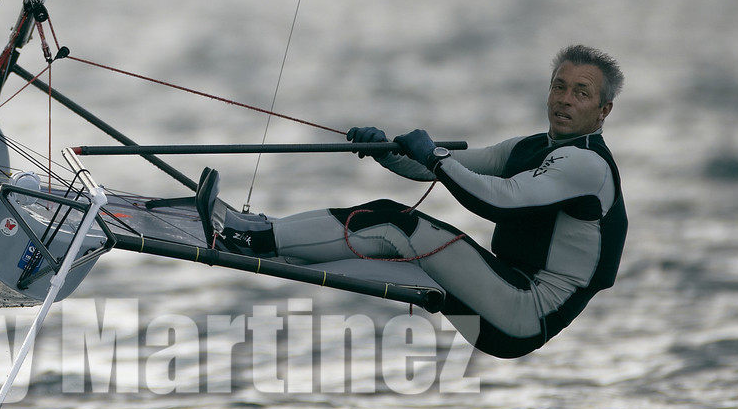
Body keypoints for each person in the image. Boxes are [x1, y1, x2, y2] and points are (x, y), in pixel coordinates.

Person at [216, 45, 627, 358]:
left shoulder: (587, 165)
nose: (565, 99)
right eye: (559, 86)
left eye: (581, 93)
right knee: (384, 224)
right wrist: (388, 151)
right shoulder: (531, 147)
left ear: (603, 110)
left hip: (524, 314)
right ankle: (267, 236)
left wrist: (434, 154)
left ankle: (255, 239)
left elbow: (500, 201)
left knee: (398, 224)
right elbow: (443, 169)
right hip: (503, 292)